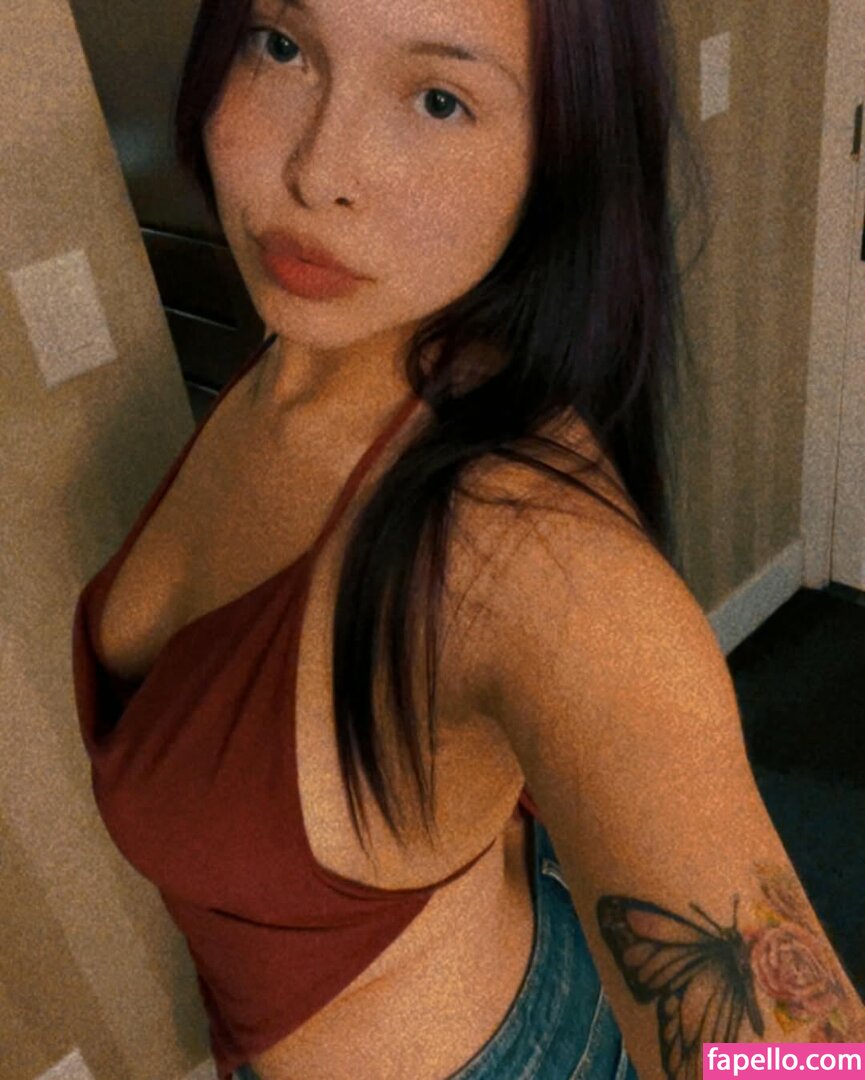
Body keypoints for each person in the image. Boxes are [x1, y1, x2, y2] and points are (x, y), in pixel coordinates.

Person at [72, 0, 865, 1078]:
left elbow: (798, 1058)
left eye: (440, 100)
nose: (317, 172)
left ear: (564, 158)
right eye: (282, 45)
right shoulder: (318, 336)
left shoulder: (536, 564)